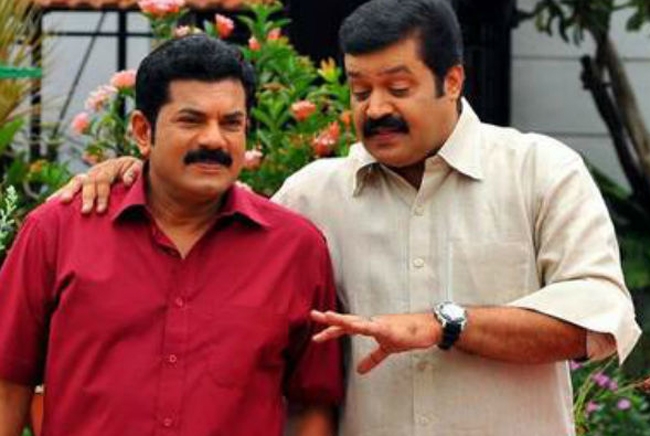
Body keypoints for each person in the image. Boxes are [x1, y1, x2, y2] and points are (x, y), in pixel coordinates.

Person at [52, 0, 641, 435]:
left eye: (398, 88)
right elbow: (204, 226)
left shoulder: (540, 171)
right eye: (360, 91)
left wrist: (445, 324)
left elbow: (595, 320)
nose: (376, 108)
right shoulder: (311, 196)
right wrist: (132, 169)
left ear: (452, 80)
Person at [0, 35, 343, 436]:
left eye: (231, 123)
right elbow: (8, 384)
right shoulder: (58, 231)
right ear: (143, 131)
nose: (214, 139)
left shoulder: (295, 249)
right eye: (191, 120)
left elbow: (312, 403)